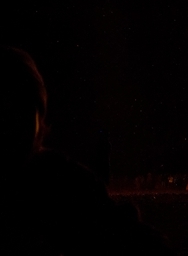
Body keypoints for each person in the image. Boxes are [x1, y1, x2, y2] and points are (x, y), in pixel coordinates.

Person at [1, 46, 171, 255]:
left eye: (23, 108)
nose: (11, 122)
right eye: (1, 109)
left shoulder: (66, 182)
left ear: (40, 115)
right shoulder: (64, 180)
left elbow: (127, 235)